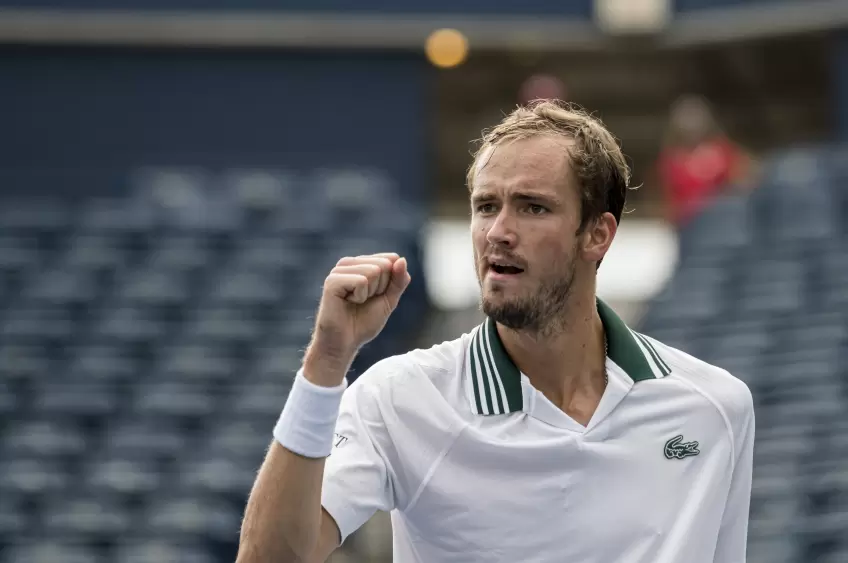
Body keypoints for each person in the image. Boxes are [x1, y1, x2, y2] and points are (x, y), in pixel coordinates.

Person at [237, 101, 755, 563]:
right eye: (486, 206)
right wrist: (326, 363)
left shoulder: (717, 409)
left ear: (598, 234)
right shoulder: (398, 397)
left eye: (533, 207)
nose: (498, 232)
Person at [656, 95, 755, 228]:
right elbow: (666, 197)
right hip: (688, 224)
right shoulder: (671, 159)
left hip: (722, 220)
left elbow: (745, 177)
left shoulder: (723, 151)